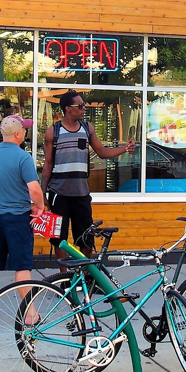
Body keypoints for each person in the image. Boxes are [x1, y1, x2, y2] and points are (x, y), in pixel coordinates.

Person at [41, 90, 135, 261]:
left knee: (86, 237)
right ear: (68, 108)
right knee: (58, 238)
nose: (84, 108)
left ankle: (83, 275)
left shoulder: (87, 128)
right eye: (81, 106)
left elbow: (102, 152)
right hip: (58, 194)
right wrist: (42, 194)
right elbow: (47, 164)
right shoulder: (52, 133)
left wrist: (125, 148)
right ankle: (64, 277)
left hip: (81, 193)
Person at [0, 115, 46, 319]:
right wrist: (39, 206)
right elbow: (34, 189)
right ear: (17, 134)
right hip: (17, 218)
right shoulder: (23, 157)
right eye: (24, 129)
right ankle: (30, 315)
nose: (25, 132)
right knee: (22, 267)